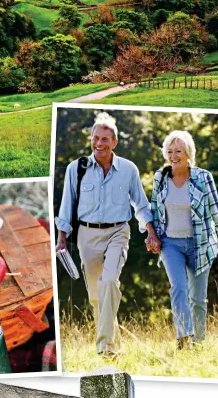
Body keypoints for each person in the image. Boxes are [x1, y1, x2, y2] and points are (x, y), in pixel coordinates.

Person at [56, 112, 160, 356]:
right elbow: (66, 204)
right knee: (96, 296)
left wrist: (151, 233)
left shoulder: (128, 169)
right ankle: (113, 343)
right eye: (95, 138)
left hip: (118, 232)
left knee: (110, 280)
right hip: (87, 235)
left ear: (114, 142)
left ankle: (105, 347)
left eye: (105, 139)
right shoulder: (77, 168)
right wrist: (62, 239)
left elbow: (141, 205)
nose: (99, 144)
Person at [148, 130, 218, 349]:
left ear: (188, 153)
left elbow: (216, 210)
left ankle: (198, 343)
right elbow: (152, 210)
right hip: (170, 243)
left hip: (200, 244)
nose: (173, 156)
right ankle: (183, 337)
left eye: (178, 151)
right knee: (178, 287)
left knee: (197, 298)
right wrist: (151, 235)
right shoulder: (160, 178)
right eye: (169, 151)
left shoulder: (202, 177)